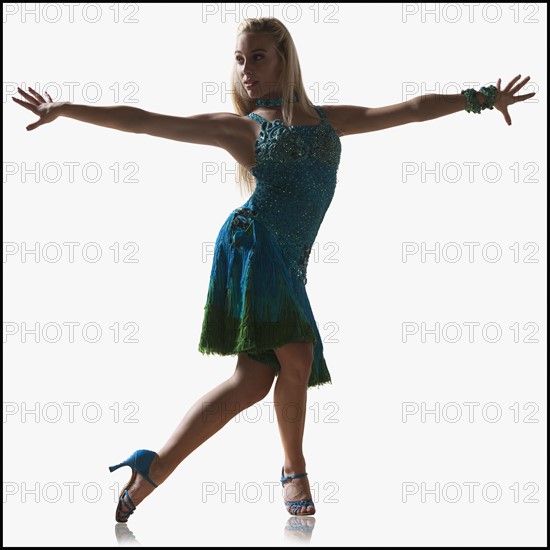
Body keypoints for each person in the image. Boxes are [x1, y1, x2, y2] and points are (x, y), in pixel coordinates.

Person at [13, 17, 535, 521]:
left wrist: (483, 99)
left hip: (287, 262)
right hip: (253, 244)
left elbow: (410, 108)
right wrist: (68, 108)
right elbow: (146, 121)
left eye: (258, 57)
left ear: (286, 60)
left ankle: (153, 468)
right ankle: (294, 469)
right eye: (240, 60)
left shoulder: (329, 121)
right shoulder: (244, 129)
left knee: (251, 381)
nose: (247, 70)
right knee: (299, 355)